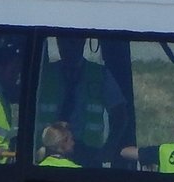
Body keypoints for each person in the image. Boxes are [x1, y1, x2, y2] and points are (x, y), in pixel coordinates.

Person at [36, 36, 127, 166]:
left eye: (72, 41)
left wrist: (110, 146)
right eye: (61, 41)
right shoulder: (44, 73)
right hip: (50, 150)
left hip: (88, 153)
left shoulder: (100, 74)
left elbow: (120, 113)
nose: (66, 47)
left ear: (82, 42)